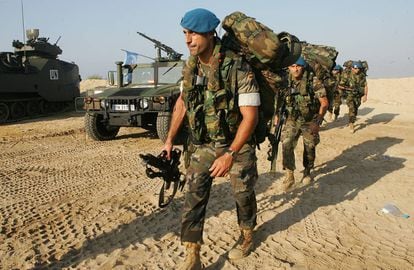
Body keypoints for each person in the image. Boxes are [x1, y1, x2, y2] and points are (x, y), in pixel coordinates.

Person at [162, 8, 260, 269]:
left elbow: (250, 117)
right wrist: (169, 139)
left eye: (192, 33)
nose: (187, 39)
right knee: (193, 194)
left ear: (209, 33)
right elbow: (182, 103)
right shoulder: (190, 66)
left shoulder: (237, 66)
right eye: (184, 33)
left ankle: (247, 233)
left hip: (236, 143)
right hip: (204, 144)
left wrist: (230, 154)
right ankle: (192, 254)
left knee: (243, 193)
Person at [275, 56, 328, 191]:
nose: (295, 69)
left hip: (310, 119)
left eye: (298, 66)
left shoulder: (313, 81)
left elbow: (324, 103)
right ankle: (289, 174)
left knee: (310, 147)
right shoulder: (285, 80)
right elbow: (279, 98)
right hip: (292, 118)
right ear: (288, 67)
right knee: (286, 143)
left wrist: (317, 122)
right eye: (292, 66)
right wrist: (277, 115)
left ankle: (307, 171)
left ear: (303, 67)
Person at [338, 61, 368, 133]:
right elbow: (340, 86)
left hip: (358, 95)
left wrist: (365, 95)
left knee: (356, 108)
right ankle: (351, 124)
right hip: (350, 95)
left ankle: (352, 120)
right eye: (356, 68)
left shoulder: (362, 75)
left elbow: (365, 86)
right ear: (352, 68)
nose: (357, 70)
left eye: (359, 68)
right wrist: (347, 89)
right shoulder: (347, 75)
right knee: (352, 109)